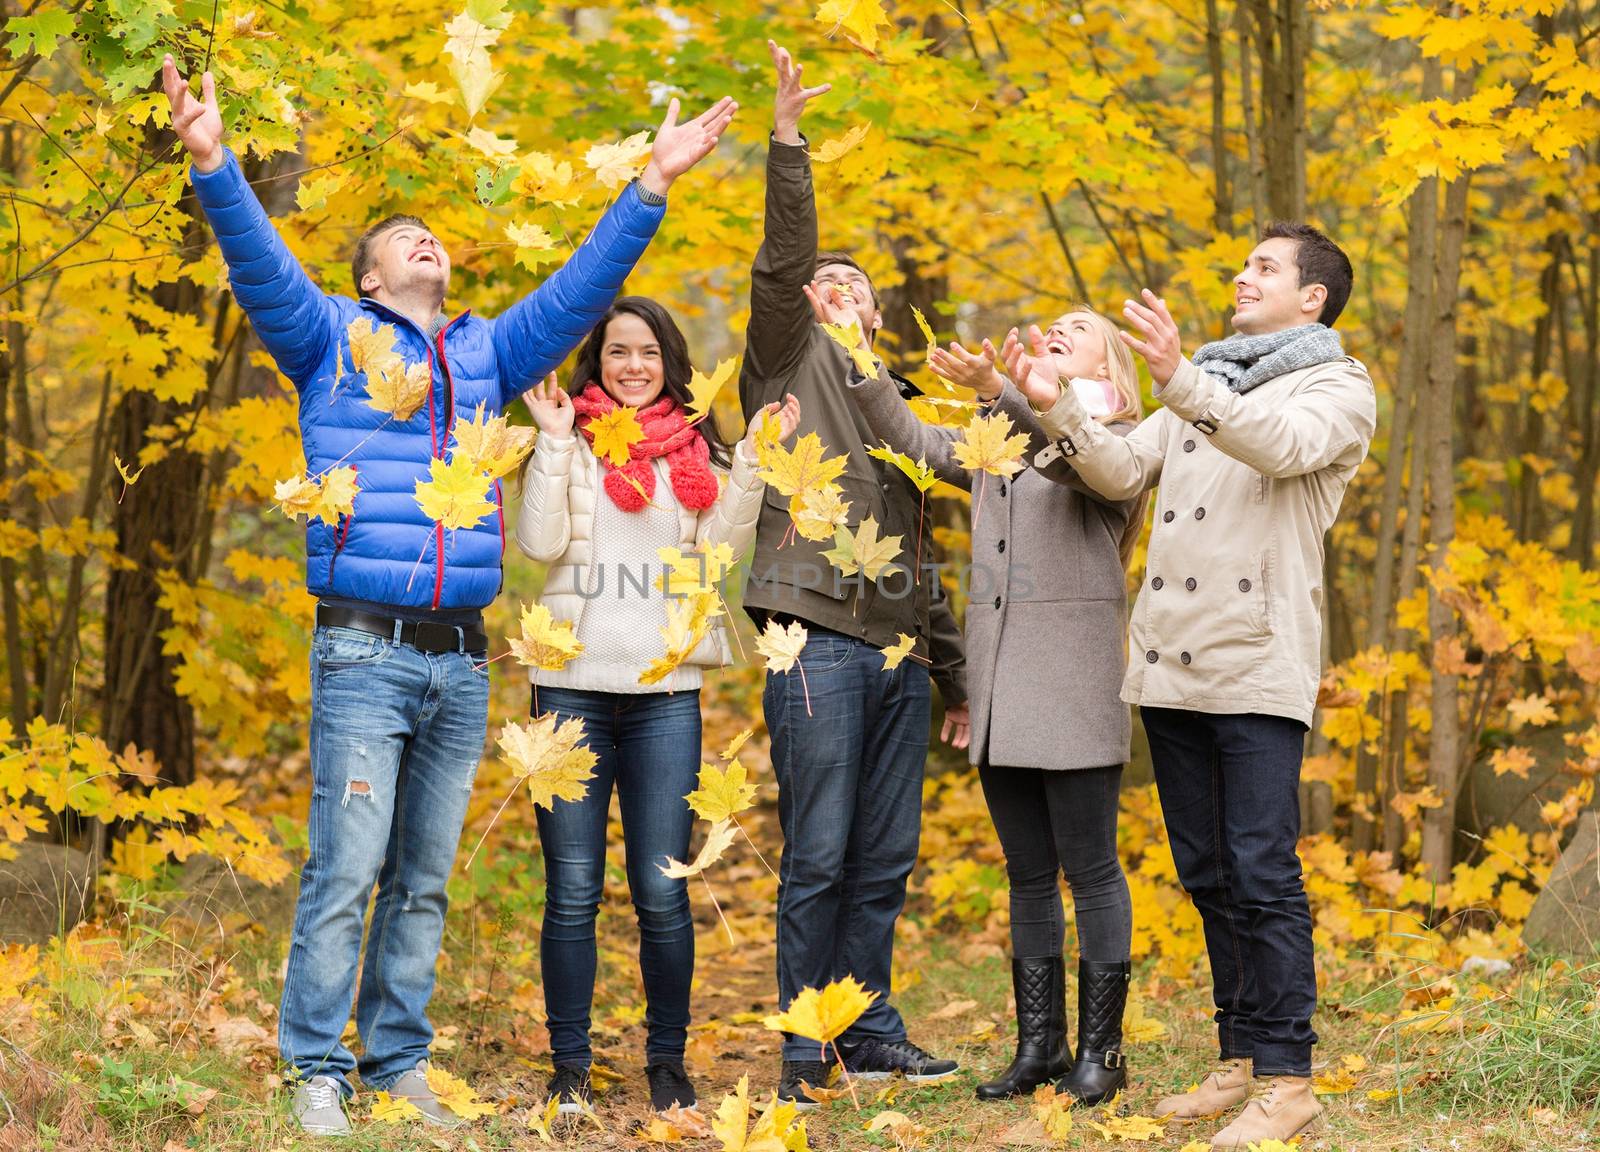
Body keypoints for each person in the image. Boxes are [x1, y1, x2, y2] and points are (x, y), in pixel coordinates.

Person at [161, 55, 736, 1136]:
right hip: (364, 652)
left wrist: (651, 184)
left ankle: (397, 1062)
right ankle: (316, 1067)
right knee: (350, 868)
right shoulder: (327, 338)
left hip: (461, 659)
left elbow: (575, 291)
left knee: (423, 877)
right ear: (372, 277)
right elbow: (259, 264)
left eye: (434, 235)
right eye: (401, 237)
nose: (426, 240)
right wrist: (214, 165)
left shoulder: (484, 355)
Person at [1001, 223, 1376, 1148]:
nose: (1242, 276)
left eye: (1264, 268)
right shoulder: (1209, 377)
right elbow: (1123, 470)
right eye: (1244, 264)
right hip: (1171, 663)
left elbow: (1280, 447)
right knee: (1208, 872)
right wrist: (1062, 411)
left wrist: (1178, 378)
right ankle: (1240, 1057)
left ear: (1313, 297)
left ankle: (1289, 1079)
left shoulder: (1338, 385)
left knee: (1262, 871)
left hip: (1255, 659)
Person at [817, 287, 1146, 1104]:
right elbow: (918, 442)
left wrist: (1010, 395)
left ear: (1111, 363)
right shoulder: (1004, 442)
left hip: (1071, 684)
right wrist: (862, 358)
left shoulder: (1124, 439)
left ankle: (1102, 1055)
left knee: (1092, 869)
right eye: (1054, 328)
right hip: (1002, 686)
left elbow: (1089, 465)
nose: (1059, 334)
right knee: (1028, 874)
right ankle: (1041, 1047)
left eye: (1080, 332)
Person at [738, 42, 968, 1107]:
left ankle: (867, 1031)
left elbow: (928, 557)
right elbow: (784, 268)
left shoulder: (896, 407)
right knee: (819, 852)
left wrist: (955, 676)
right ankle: (801, 1043)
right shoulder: (790, 362)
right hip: (812, 633)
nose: (835, 288)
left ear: (876, 318)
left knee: (883, 858)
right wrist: (788, 147)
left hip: (901, 653)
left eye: (854, 286)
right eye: (828, 280)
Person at [515, 298, 800, 1116]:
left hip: (664, 697)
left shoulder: (696, 453)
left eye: (646, 352)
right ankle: (570, 1068)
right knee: (571, 889)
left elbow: (719, 557)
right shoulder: (570, 439)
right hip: (567, 690)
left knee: (662, 888)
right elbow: (538, 543)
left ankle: (667, 1063)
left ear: (668, 361)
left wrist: (747, 464)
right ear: (597, 363)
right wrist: (556, 441)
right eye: (616, 353)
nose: (631, 366)